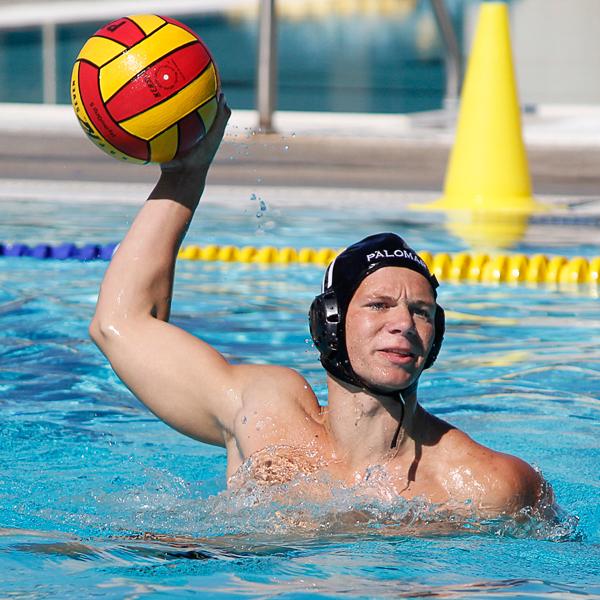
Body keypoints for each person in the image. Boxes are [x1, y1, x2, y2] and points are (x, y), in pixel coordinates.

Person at [90, 96, 544, 516]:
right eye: (379, 305)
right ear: (329, 322)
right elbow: (119, 322)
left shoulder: (485, 484)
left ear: (436, 336)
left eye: (421, 312)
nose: (403, 324)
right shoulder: (264, 414)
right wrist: (185, 173)